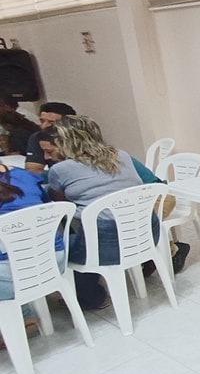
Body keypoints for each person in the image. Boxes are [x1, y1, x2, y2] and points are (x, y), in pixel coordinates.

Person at [47, 116, 153, 310]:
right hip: (144, 232)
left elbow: (60, 204)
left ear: (63, 142)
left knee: (62, 246)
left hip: (106, 242)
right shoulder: (121, 155)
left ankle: (93, 297)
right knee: (87, 233)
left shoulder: (60, 169)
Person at [0, 163, 63, 339]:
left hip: (16, 270)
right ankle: (25, 313)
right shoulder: (25, 176)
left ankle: (22, 316)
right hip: (53, 258)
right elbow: (48, 206)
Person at [24, 101, 76, 175]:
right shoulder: (38, 137)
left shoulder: (81, 139)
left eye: (51, 122)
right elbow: (33, 170)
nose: (44, 126)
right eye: (42, 121)